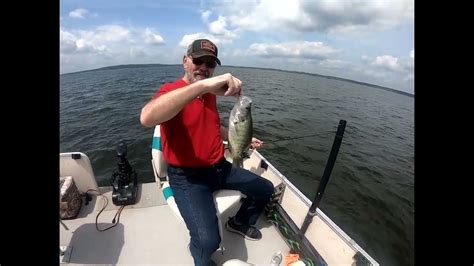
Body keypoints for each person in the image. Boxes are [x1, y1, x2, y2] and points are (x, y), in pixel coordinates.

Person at [140, 39, 275, 266]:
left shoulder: (210, 95)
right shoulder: (171, 91)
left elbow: (215, 127)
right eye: (198, 60)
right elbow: (146, 117)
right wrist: (203, 86)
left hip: (220, 168)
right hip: (187, 179)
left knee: (265, 189)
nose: (204, 67)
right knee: (207, 241)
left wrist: (244, 137)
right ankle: (201, 257)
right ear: (185, 61)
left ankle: (239, 222)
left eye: (210, 63)